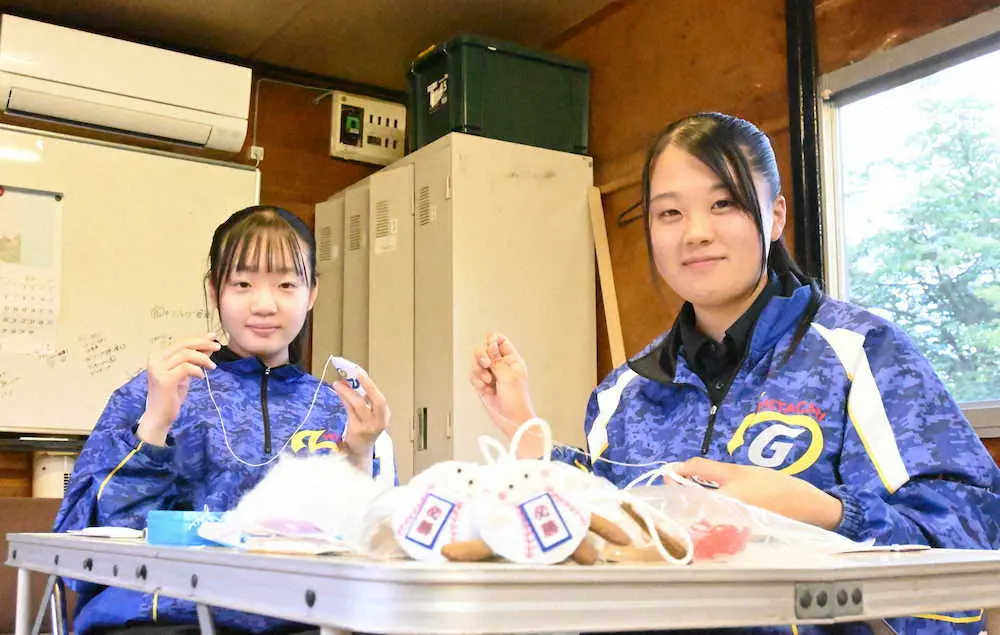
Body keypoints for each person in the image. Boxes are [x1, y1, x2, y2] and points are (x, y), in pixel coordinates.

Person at [470, 113, 1000, 635]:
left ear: (775, 216)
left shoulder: (861, 354)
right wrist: (527, 435)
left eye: (723, 203)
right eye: (669, 213)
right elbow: (609, 525)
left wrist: (826, 512)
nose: (696, 233)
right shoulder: (622, 395)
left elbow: (971, 543)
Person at [55, 205, 392, 635]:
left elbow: (371, 549)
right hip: (164, 616)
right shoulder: (157, 387)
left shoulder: (335, 406)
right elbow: (85, 549)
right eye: (243, 283)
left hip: (301, 618)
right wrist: (155, 426)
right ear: (215, 290)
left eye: (287, 284)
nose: (265, 304)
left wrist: (361, 454)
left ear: (312, 294)